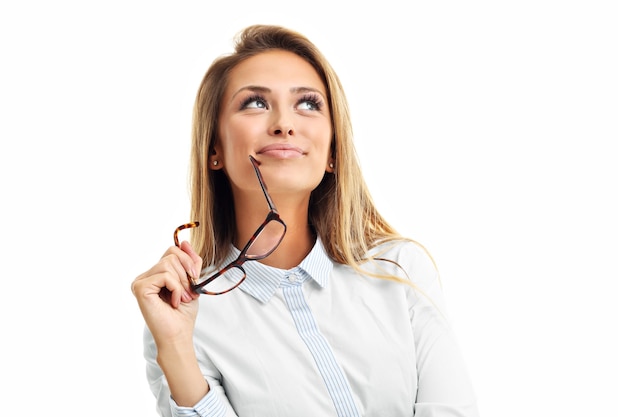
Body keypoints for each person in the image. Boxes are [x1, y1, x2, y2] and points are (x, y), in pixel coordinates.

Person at [131, 24, 479, 417]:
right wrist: (177, 349)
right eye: (255, 104)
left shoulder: (399, 270)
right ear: (215, 149)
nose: (283, 123)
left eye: (309, 104)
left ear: (332, 151)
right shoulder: (182, 318)